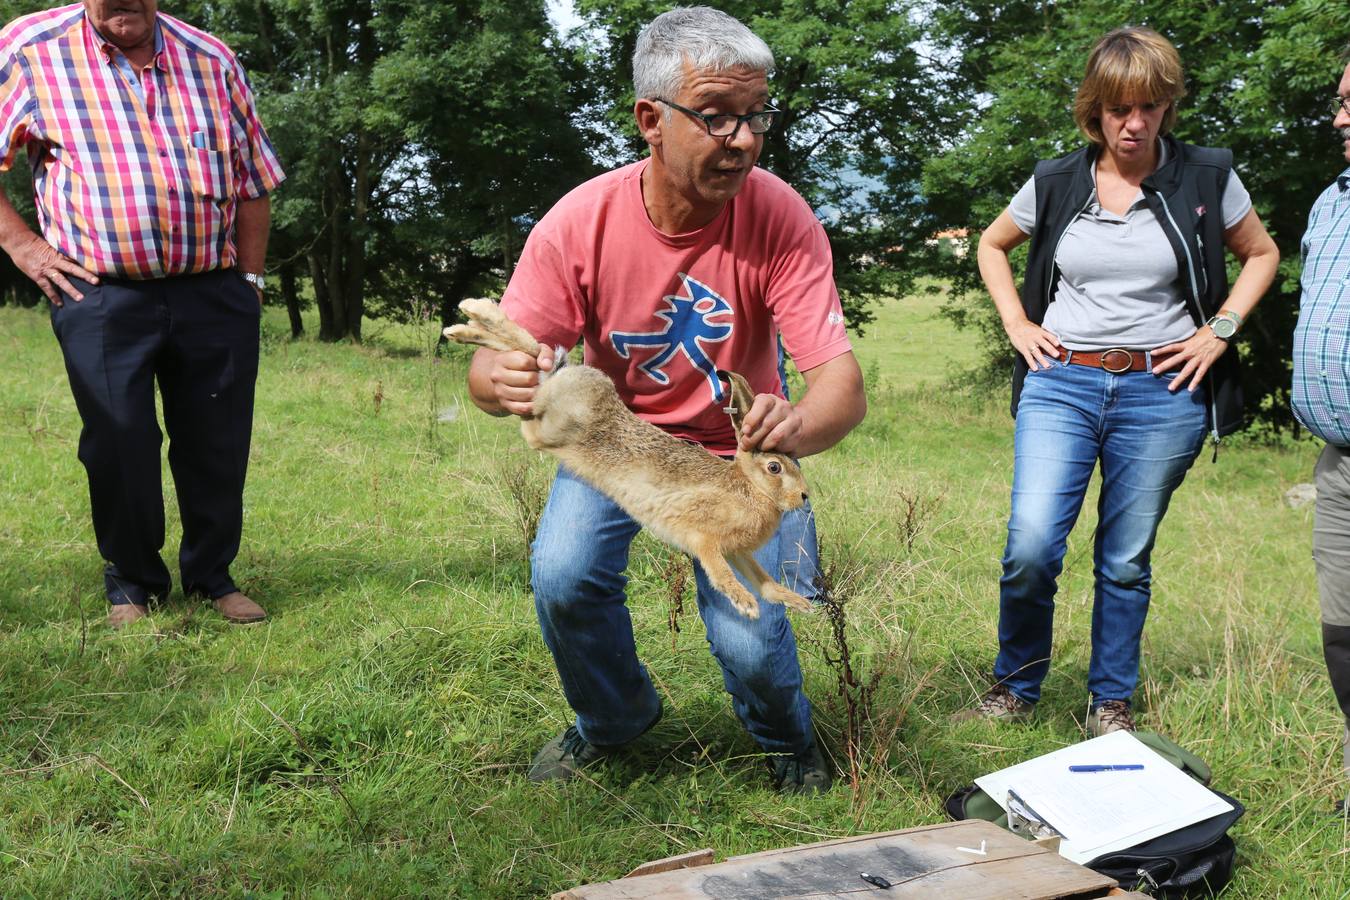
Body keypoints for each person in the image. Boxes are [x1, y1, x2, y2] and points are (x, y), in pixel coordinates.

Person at [464, 6, 865, 793]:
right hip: (624, 450)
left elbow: (842, 389)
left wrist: (797, 423)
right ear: (650, 119)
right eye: (717, 118)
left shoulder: (779, 215)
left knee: (749, 633)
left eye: (756, 118)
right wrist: (498, 381)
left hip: (737, 464)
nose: (744, 140)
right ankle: (614, 722)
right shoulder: (581, 222)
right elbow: (492, 365)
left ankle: (789, 745)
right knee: (565, 575)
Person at [959, 27, 1278, 734]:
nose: (1134, 124)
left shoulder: (1207, 178)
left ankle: (1110, 699)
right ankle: (1015, 686)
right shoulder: (1056, 180)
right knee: (1033, 545)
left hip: (1162, 392)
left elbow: (1261, 253)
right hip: (1061, 381)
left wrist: (1219, 330)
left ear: (1168, 106)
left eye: (1150, 107)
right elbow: (991, 243)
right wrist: (1017, 324)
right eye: (1118, 108)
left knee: (1126, 558)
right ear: (1094, 109)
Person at [0, 2, 285, 627]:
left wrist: (251, 281)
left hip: (213, 290)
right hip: (98, 294)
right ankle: (133, 584)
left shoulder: (211, 57)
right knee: (119, 439)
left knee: (217, 441)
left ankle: (213, 576)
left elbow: (254, 179)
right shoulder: (27, 47)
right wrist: (24, 247)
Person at [1292, 51, 1350, 814]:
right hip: (1339, 464)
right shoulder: (1331, 202)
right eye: (1340, 99)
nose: (1340, 116)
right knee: (1343, 634)